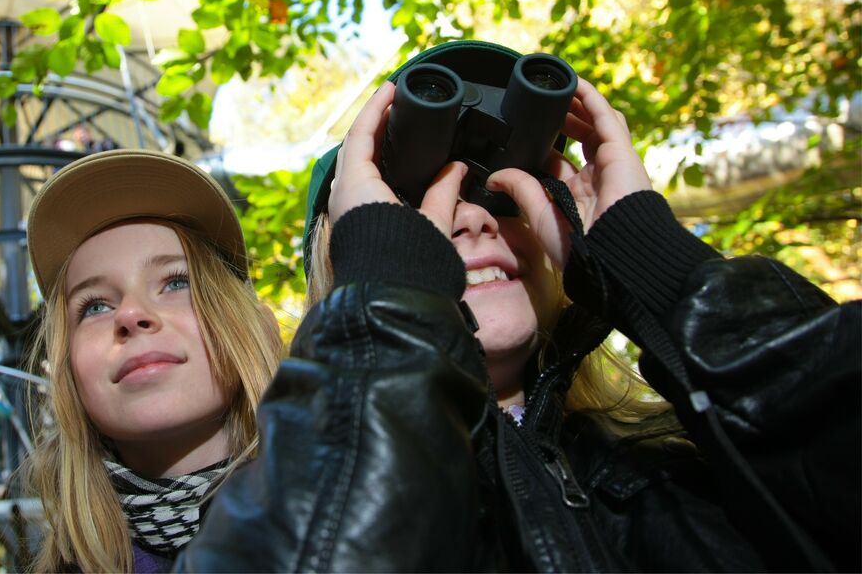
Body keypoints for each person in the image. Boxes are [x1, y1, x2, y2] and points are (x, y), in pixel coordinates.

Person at [177, 40, 860, 572]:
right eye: (410, 208)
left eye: (503, 198)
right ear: (357, 263)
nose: (474, 218)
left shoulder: (692, 463)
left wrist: (663, 271)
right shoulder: (250, 504)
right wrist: (393, 298)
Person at [23, 148, 284, 572]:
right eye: (95, 306)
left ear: (250, 323)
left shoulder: (364, 491)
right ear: (69, 374)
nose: (130, 314)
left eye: (176, 282)